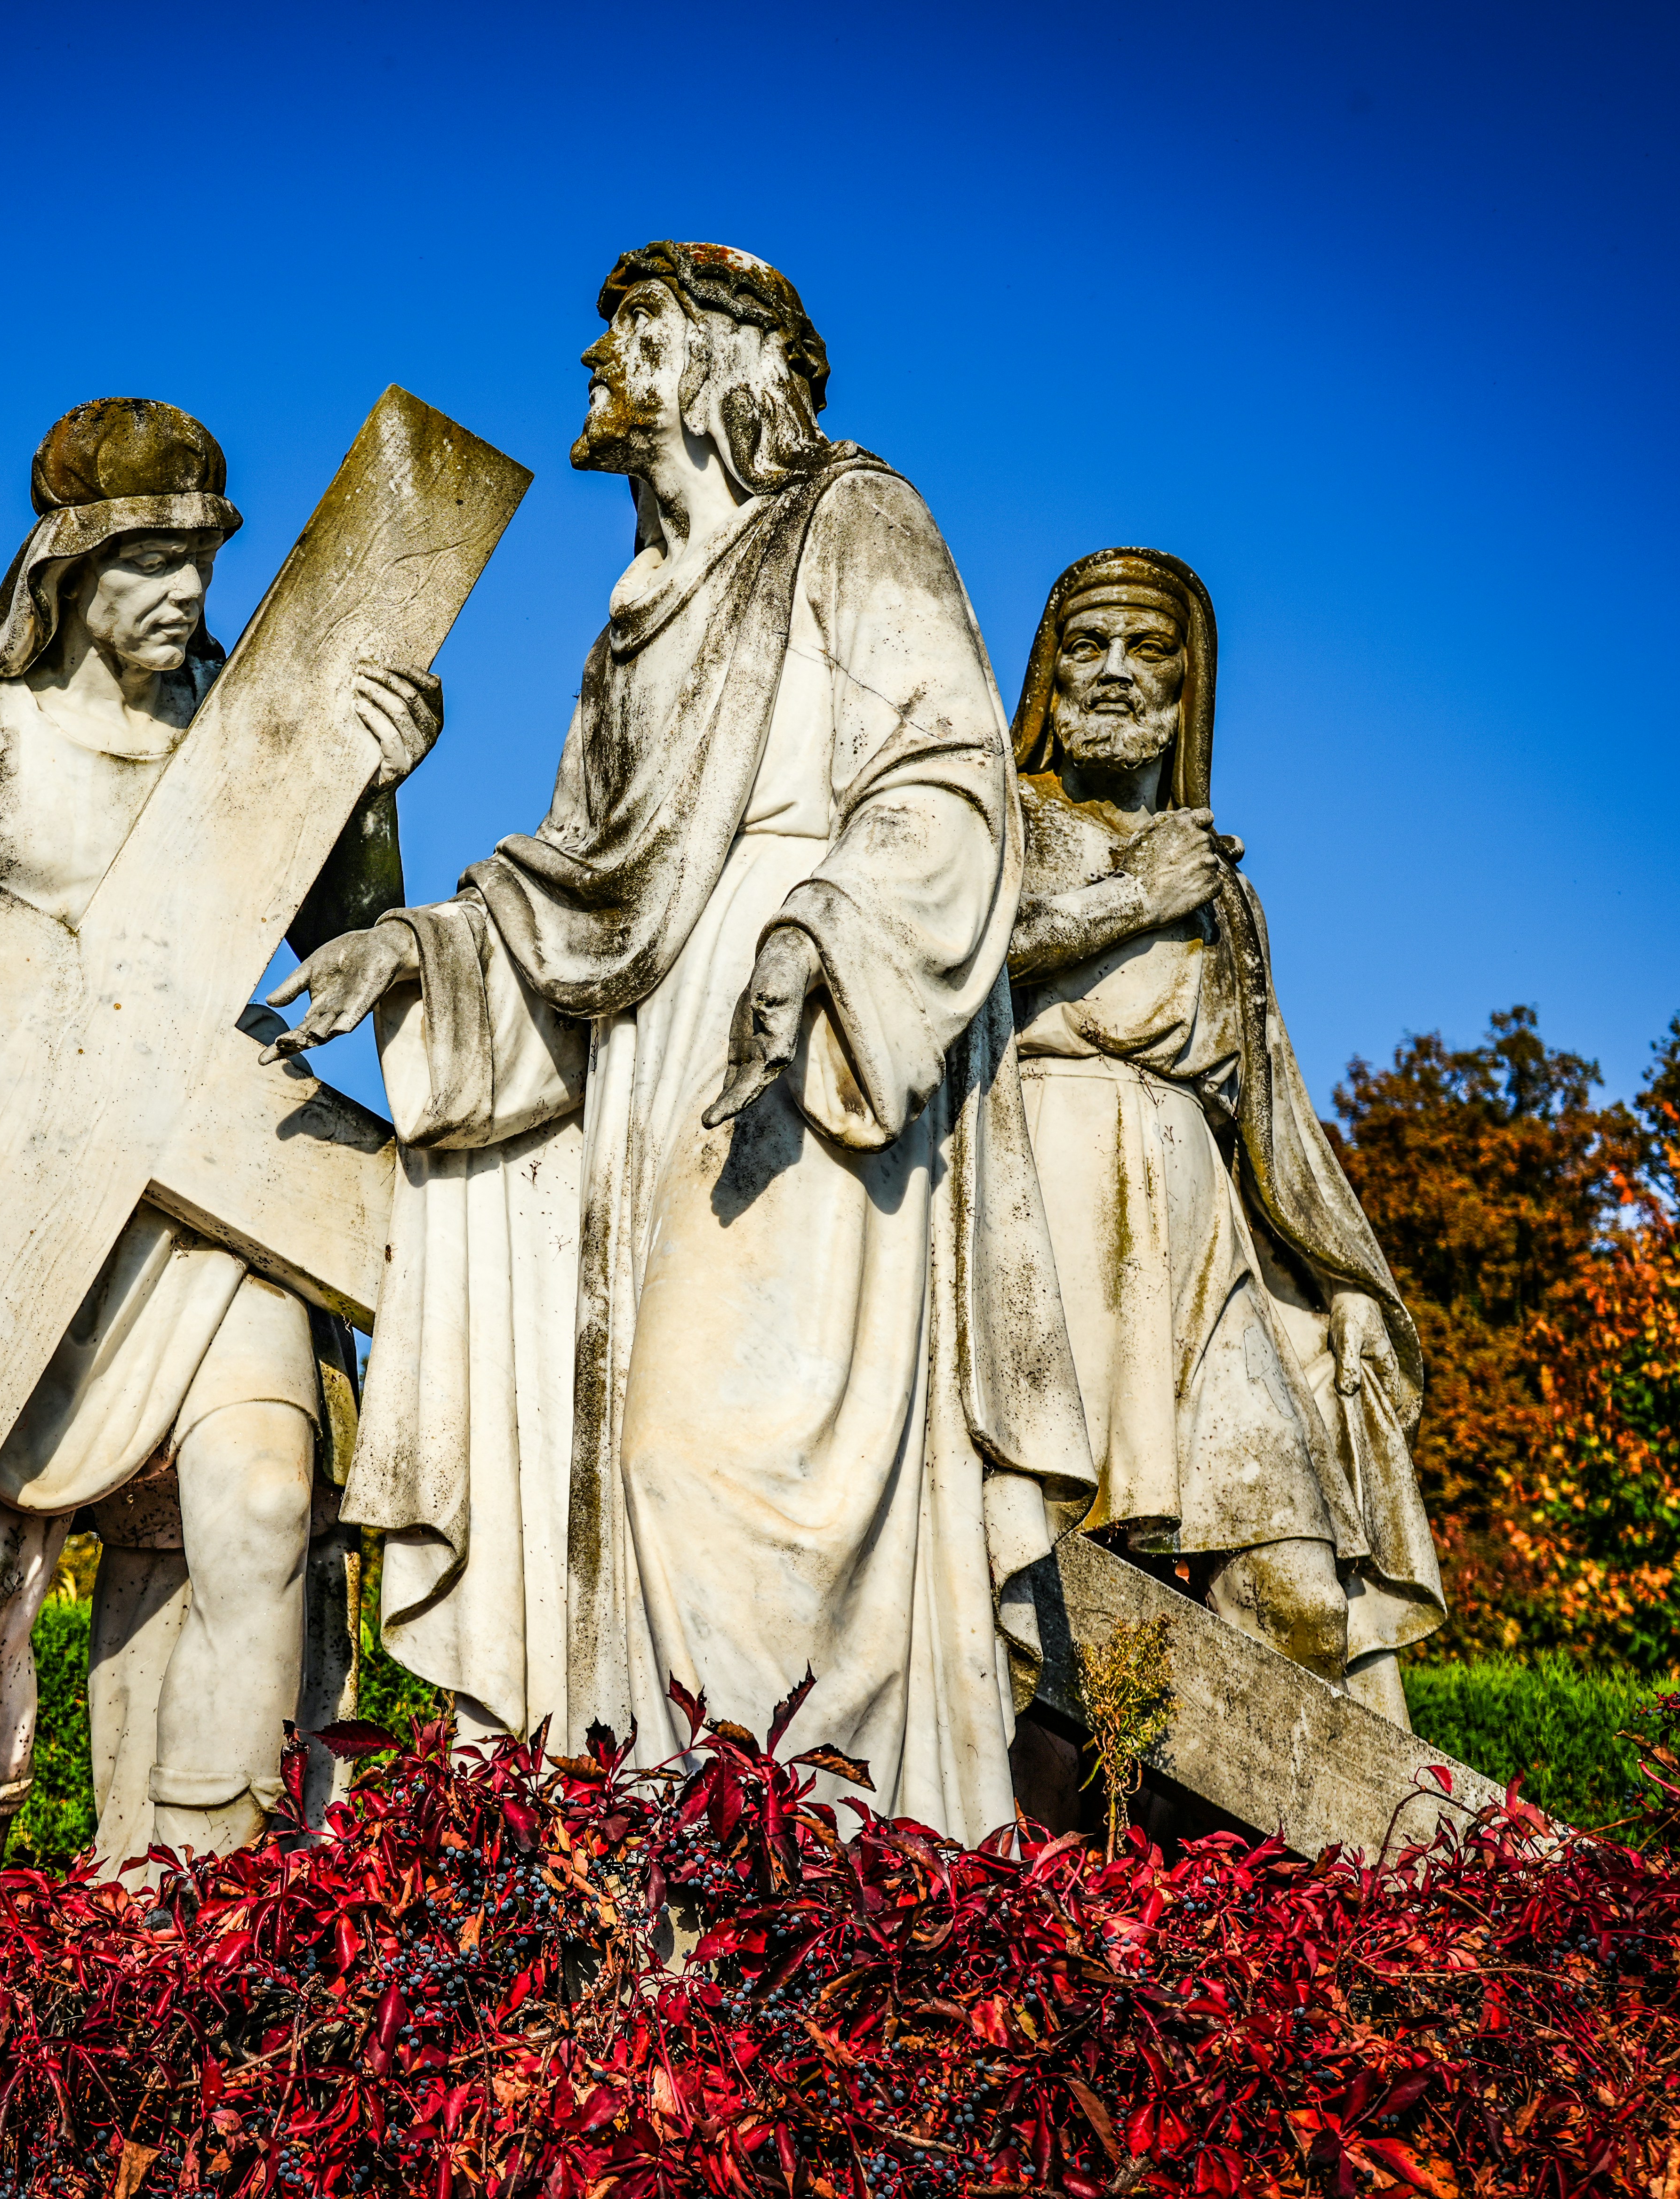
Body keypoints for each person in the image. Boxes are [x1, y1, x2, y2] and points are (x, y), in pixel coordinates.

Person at [271, 245, 1092, 1839]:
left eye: (635, 329)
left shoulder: (854, 523)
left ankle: (816, 1875)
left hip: (822, 1044)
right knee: (619, 1471)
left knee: (707, 1466)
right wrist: (412, 947)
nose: (598, 353)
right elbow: (569, 898)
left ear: (732, 362)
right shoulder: (627, 623)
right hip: (650, 1063)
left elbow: (943, 776)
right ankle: (687, 1894)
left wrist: (816, 931)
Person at [0, 397, 439, 1883]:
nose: (184, 595)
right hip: (10, 1182)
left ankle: (201, 1923)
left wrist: (368, 792)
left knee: (260, 1510)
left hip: (214, 1181)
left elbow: (352, 939)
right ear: (67, 569)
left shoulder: (255, 732)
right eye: (149, 563)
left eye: (201, 562)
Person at [1003, 547, 1443, 1718]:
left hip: (1202, 1249)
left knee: (1297, 1593)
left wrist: (1341, 1281)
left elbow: (1276, 1120)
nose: (1112, 673)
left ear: (1187, 686)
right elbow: (930, 976)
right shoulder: (993, 821)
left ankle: (1375, 1897)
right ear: (1047, 676)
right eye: (1086, 645)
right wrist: (1133, 899)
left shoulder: (1224, 887)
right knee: (1027, 1594)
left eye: (1147, 650)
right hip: (1036, 1222)